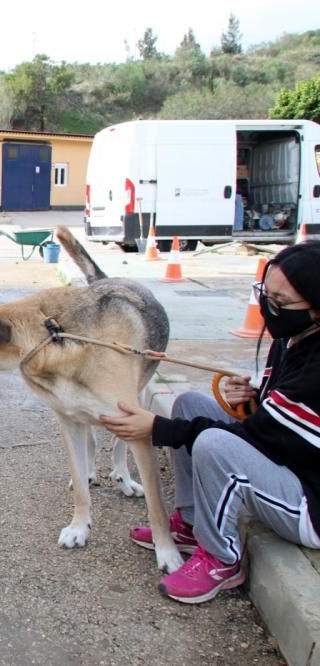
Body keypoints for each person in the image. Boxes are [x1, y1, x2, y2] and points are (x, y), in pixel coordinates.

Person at [100, 242, 320, 604]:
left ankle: (222, 559)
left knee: (213, 443)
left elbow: (257, 436)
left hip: (309, 503)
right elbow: (277, 423)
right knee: (189, 404)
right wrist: (253, 398)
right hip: (285, 461)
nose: (269, 307)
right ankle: (190, 523)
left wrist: (156, 429)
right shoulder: (293, 337)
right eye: (266, 294)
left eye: (282, 302)